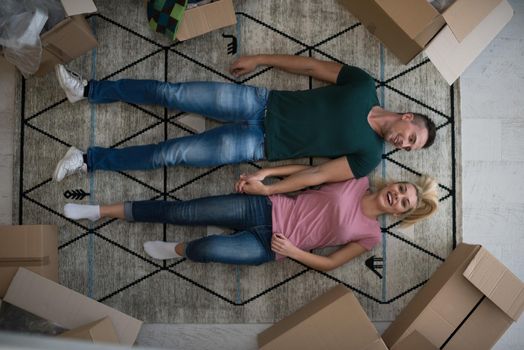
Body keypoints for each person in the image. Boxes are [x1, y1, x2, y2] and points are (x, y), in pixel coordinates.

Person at [52, 54, 436, 196]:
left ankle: (87, 161)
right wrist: (258, 59)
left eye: (410, 148)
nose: (404, 143)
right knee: (172, 93)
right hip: (259, 101)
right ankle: (87, 89)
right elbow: (311, 67)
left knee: (172, 154)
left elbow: (317, 174)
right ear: (407, 117)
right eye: (412, 137)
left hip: (257, 146)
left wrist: (270, 187)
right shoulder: (363, 85)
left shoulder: (369, 157)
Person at [63, 164, 439, 271]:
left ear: (397, 213)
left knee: (207, 249)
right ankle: (99, 210)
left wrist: (292, 251)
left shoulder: (371, 236)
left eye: (404, 203)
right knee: (182, 209)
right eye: (403, 189)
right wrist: (267, 175)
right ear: (397, 183)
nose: (399, 196)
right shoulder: (357, 178)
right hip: (265, 207)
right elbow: (309, 171)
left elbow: (329, 263)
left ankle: (178, 249)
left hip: (270, 246)